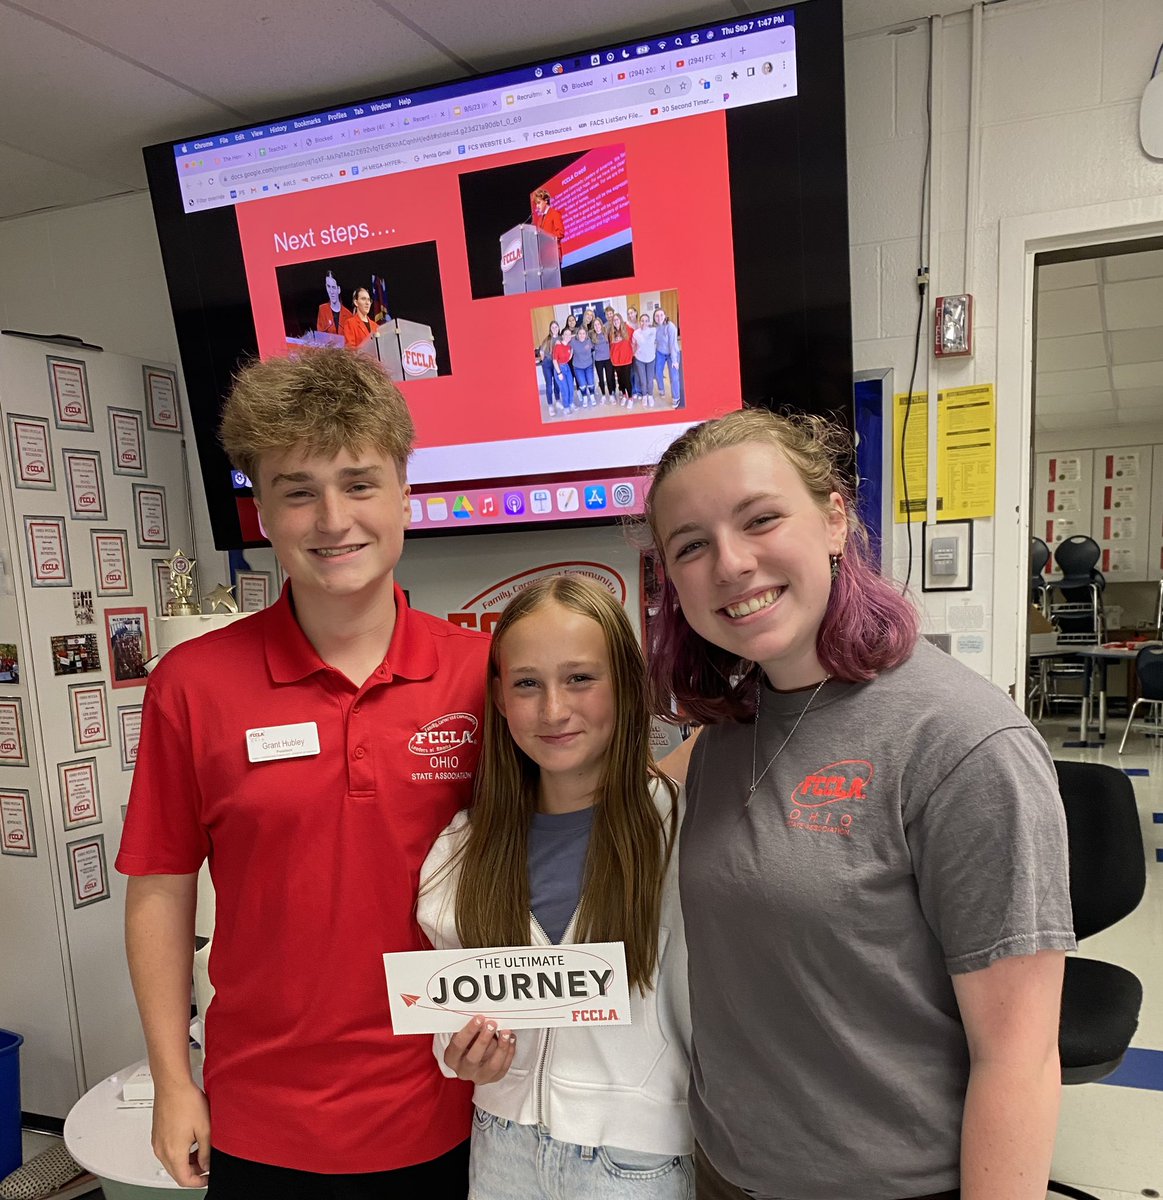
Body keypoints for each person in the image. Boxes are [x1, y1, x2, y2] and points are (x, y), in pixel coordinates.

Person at [644, 407, 1075, 1200]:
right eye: (691, 546)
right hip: (726, 1170)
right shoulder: (733, 723)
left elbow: (1018, 1057)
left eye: (760, 519)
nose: (730, 564)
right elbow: (619, 807)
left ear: (835, 519)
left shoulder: (962, 742)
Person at [117, 348, 489, 1198]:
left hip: (455, 1101)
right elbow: (161, 890)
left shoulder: (486, 672)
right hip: (264, 1119)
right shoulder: (192, 684)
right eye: (297, 489)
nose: (332, 518)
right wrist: (173, 1080)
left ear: (404, 493)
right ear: (261, 512)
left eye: (359, 483)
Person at [417, 575, 693, 1200]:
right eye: (526, 684)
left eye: (579, 678)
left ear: (626, 683)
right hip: (499, 1147)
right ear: (499, 697)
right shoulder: (461, 850)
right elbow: (450, 997)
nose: (553, 711)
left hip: (637, 1161)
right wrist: (459, 1054)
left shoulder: (680, 834)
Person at [652, 308, 682, 409]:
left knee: (674, 377)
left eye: (661, 315)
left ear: (665, 315)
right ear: (654, 318)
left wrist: (674, 360)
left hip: (672, 353)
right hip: (660, 352)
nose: (659, 317)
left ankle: (676, 397)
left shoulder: (670, 326)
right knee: (657, 372)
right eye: (656, 315)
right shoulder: (655, 327)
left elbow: (673, 344)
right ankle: (661, 389)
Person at [631, 312, 657, 407]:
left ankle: (650, 395)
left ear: (649, 322)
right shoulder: (636, 333)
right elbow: (633, 344)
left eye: (646, 321)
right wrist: (634, 354)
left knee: (650, 380)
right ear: (639, 322)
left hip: (651, 359)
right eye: (642, 321)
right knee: (643, 380)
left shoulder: (653, 330)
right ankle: (644, 396)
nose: (644, 323)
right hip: (640, 360)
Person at [537, 319, 562, 415]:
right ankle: (550, 406)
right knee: (549, 385)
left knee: (557, 383)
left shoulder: (560, 338)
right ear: (550, 329)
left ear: (558, 328)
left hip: (556, 364)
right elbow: (541, 352)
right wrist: (544, 360)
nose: (555, 328)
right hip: (547, 364)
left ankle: (558, 401)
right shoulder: (547, 339)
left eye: (556, 327)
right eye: (553, 327)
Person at [315, 270, 351, 336]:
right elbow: (320, 336)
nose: (331, 291)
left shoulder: (348, 315)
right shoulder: (322, 309)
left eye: (333, 287)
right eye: (328, 287)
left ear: (339, 289)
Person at [532, 189, 565, 260]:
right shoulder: (539, 220)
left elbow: (560, 233)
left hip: (553, 255)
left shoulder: (554, 213)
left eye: (539, 203)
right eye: (536, 204)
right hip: (543, 258)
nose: (537, 206)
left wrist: (546, 238)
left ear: (546, 200)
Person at [609, 313, 633, 404]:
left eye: (617, 319)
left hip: (626, 360)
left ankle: (630, 398)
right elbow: (610, 347)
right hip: (616, 361)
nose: (616, 321)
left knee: (627, 380)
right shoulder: (611, 333)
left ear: (621, 320)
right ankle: (624, 395)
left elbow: (635, 339)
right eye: (614, 320)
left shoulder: (628, 329)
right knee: (620, 380)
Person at [571, 323, 596, 408]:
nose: (582, 335)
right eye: (580, 333)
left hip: (588, 365)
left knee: (591, 382)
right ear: (577, 334)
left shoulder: (589, 340)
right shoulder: (573, 341)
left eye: (583, 333)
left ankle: (592, 396)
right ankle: (585, 397)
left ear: (586, 334)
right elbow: (564, 341)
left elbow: (595, 345)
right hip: (578, 367)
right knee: (582, 384)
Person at [552, 327, 575, 415]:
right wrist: (559, 373)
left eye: (569, 334)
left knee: (570, 387)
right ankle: (566, 407)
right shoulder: (557, 345)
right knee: (564, 389)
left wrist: (572, 352)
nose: (568, 336)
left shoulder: (569, 346)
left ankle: (570, 403)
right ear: (562, 335)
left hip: (567, 367)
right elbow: (554, 360)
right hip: (559, 368)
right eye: (566, 334)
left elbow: (568, 357)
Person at [592, 317, 614, 402]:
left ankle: (611, 394)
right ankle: (603, 395)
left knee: (609, 378)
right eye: (595, 325)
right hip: (598, 361)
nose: (597, 326)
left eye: (598, 324)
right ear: (593, 327)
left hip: (608, 359)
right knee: (601, 379)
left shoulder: (606, 334)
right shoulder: (593, 336)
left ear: (601, 325)